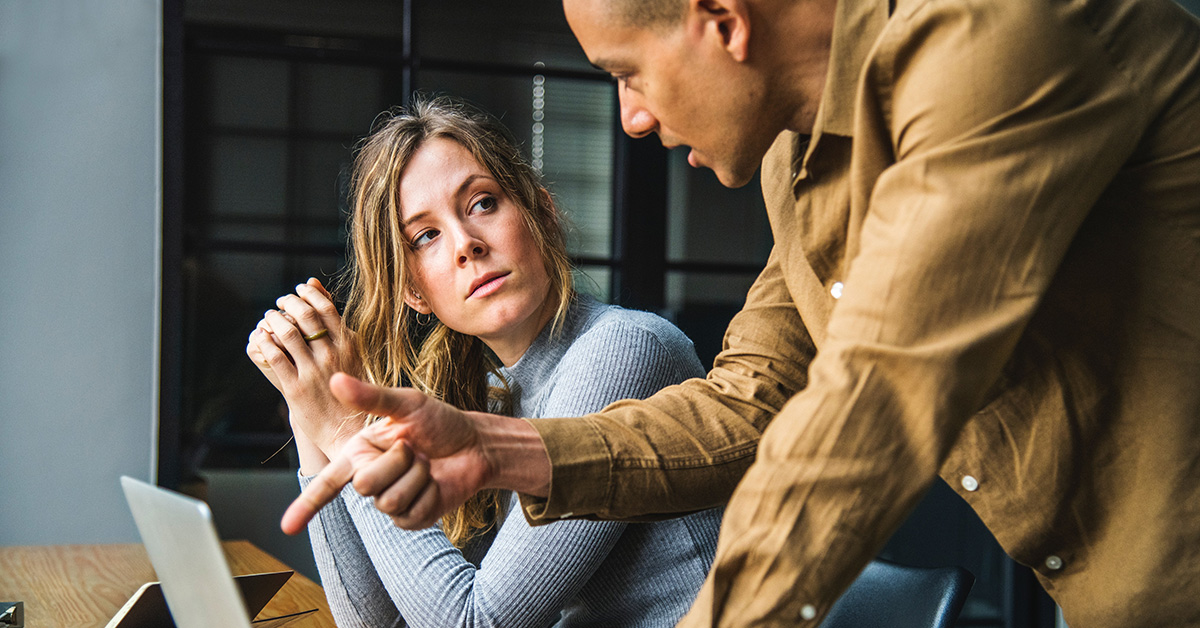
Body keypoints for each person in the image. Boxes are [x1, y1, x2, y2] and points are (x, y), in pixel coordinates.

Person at [284, 0, 1200, 626]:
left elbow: (873, 404)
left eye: (628, 72)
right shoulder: (796, 166)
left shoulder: (997, 40)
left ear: (721, 19)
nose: (631, 117)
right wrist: (498, 449)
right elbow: (750, 402)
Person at [250, 95, 723, 628]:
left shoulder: (624, 350)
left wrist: (346, 432)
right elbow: (374, 623)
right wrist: (309, 400)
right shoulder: (491, 391)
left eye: (482, 203)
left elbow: (477, 624)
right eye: (426, 236)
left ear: (541, 213)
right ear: (414, 292)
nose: (465, 244)